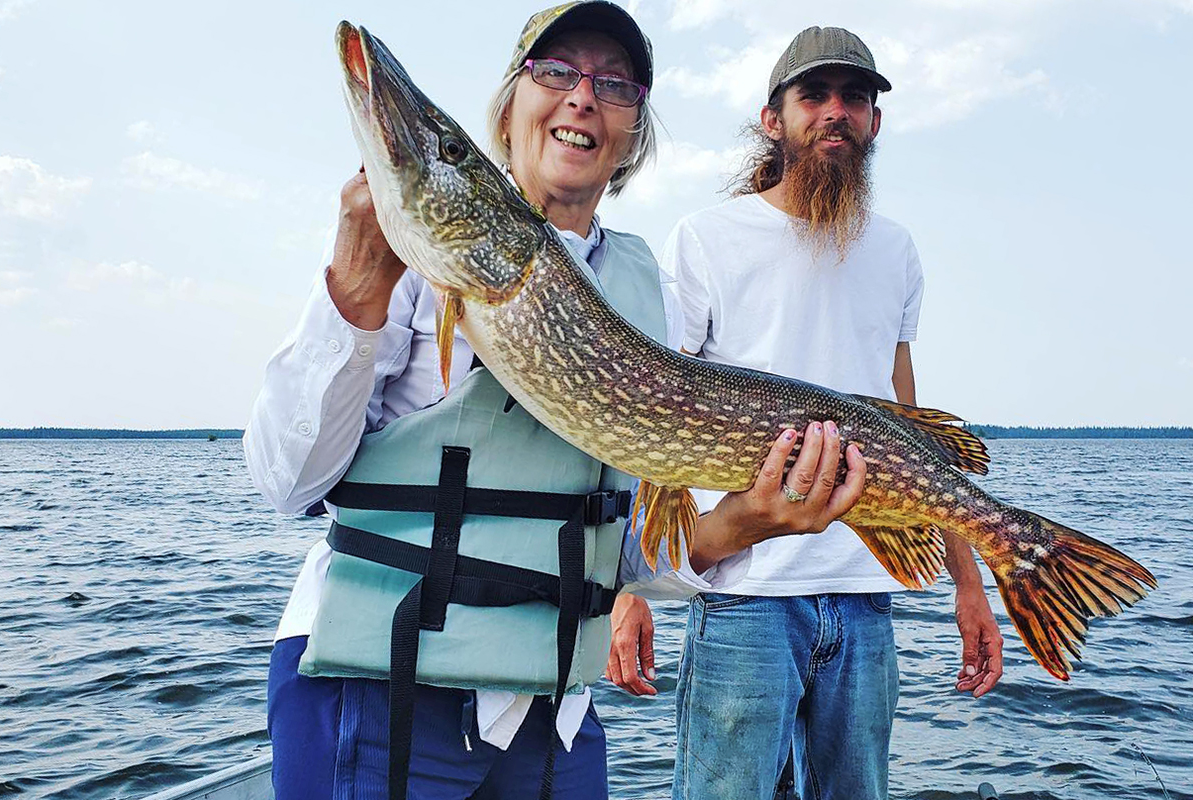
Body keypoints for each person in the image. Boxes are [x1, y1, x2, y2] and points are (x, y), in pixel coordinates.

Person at [244, 6, 866, 799]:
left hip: (553, 710)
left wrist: (746, 522)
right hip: (378, 678)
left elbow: (630, 548)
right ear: (508, 108)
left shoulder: (652, 297)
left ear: (632, 130)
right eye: (555, 72)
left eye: (612, 83)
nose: (582, 97)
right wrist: (358, 292)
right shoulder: (406, 258)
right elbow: (285, 481)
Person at [606, 26, 1007, 800]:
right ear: (773, 118)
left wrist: (970, 581)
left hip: (865, 596)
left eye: (854, 98)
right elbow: (649, 404)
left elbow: (905, 416)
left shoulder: (895, 251)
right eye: (814, 96)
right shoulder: (707, 237)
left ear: (874, 123)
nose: (836, 112)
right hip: (743, 599)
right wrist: (631, 588)